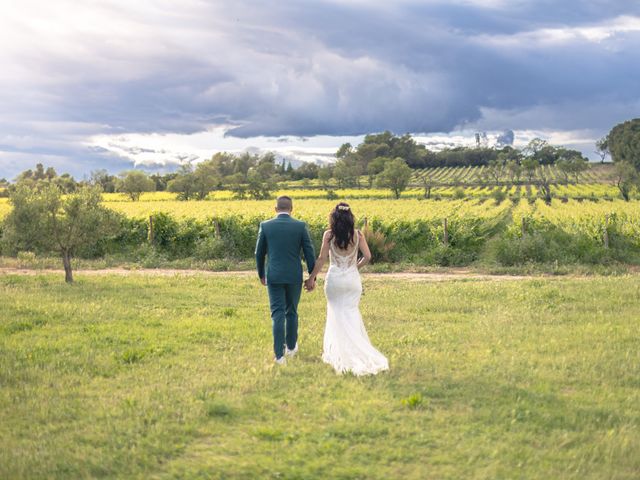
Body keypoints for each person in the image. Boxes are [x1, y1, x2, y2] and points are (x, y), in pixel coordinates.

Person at [305, 202, 389, 376]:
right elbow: (367, 256)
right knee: (351, 313)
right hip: (351, 279)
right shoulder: (358, 235)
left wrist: (312, 277)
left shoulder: (328, 235)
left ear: (334, 218)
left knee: (335, 313)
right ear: (351, 217)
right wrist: (355, 268)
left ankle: (336, 352)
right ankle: (357, 350)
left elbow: (321, 259)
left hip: (334, 279)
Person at [255, 196, 316, 365]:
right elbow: (309, 253)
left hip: (274, 276)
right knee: (292, 311)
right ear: (292, 209)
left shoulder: (265, 226)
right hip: (294, 276)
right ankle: (290, 347)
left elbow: (259, 253)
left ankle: (279, 356)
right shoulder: (300, 226)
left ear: (275, 209)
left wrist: (261, 274)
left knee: (277, 314)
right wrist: (312, 277)